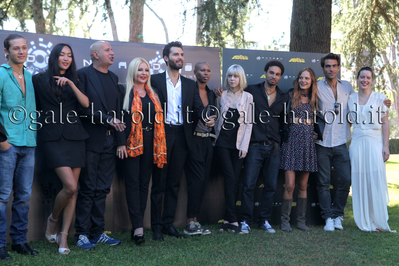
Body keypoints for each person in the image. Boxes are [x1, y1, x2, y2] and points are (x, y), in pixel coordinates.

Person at [32, 43, 90, 254]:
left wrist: (72, 85)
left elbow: (85, 103)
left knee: (73, 192)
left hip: (76, 137)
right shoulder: (39, 79)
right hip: (52, 138)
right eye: (62, 55)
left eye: (69, 55)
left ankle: (64, 237)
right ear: (54, 57)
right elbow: (34, 106)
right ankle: (52, 220)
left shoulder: (78, 79)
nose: (66, 58)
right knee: (70, 187)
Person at [150, 41, 209, 241]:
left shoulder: (190, 84)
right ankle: (156, 226)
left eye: (182, 54)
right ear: (166, 58)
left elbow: (198, 109)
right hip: (161, 135)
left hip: (183, 137)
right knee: (159, 183)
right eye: (176, 54)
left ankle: (168, 224)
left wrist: (207, 117)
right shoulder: (155, 80)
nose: (180, 57)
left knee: (174, 184)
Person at [74, 41, 125, 250]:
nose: (112, 53)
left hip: (111, 141)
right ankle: (81, 234)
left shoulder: (114, 78)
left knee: (103, 189)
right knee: (87, 188)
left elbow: (120, 113)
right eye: (107, 50)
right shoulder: (82, 75)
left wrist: (121, 141)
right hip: (90, 140)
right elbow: (80, 109)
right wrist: (105, 119)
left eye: (112, 50)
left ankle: (97, 233)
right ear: (95, 54)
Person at [117, 58, 167, 245]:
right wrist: (120, 143)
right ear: (133, 72)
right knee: (132, 184)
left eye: (146, 70)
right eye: (140, 70)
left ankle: (136, 226)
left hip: (151, 143)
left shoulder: (153, 93)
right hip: (131, 143)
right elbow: (119, 119)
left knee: (144, 185)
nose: (144, 73)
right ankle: (138, 227)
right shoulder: (124, 91)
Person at [0, 34, 38, 260]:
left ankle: (19, 242)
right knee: (3, 196)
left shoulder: (31, 76)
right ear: (7, 51)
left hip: (29, 144)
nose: (21, 52)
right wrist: (2, 142)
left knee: (23, 196)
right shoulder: (1, 74)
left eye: (24, 48)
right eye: (16, 48)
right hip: (8, 144)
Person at [239, 60, 289, 234]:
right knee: (248, 185)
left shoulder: (283, 96)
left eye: (277, 74)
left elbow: (285, 122)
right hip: (254, 145)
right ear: (265, 73)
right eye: (271, 72)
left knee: (270, 186)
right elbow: (235, 97)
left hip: (274, 147)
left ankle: (264, 220)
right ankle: (245, 220)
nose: (273, 76)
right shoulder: (251, 90)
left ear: (280, 77)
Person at [348, 67, 395, 232]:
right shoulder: (351, 98)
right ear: (358, 78)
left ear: (372, 80)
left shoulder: (380, 98)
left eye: (368, 77)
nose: (364, 80)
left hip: (375, 143)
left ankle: (376, 220)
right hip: (357, 142)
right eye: (362, 77)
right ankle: (363, 219)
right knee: (359, 180)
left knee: (374, 180)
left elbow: (385, 123)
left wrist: (386, 146)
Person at [316, 53, 354, 231]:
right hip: (322, 143)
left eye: (334, 66)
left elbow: (360, 102)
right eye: (328, 66)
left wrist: (382, 103)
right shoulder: (316, 87)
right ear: (323, 68)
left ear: (338, 67)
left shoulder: (347, 86)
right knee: (323, 182)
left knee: (346, 179)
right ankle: (328, 218)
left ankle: (338, 214)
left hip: (340, 141)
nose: (331, 69)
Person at [279, 68, 319, 232]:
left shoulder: (315, 99)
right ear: (298, 79)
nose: (303, 81)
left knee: (303, 185)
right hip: (291, 143)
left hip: (308, 145)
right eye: (301, 77)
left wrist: (317, 133)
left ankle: (301, 221)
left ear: (312, 81)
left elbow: (320, 121)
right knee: (290, 185)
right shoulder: (290, 96)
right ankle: (284, 221)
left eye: (307, 78)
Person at [215, 64, 253, 234]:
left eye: (236, 76)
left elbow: (249, 124)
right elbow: (216, 121)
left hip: (239, 145)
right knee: (230, 178)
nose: (232, 79)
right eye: (230, 76)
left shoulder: (248, 97)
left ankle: (226, 220)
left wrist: (244, 146)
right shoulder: (221, 95)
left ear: (241, 78)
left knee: (235, 180)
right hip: (222, 143)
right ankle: (233, 220)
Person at [184, 61, 216, 235]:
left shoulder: (211, 93)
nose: (206, 73)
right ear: (195, 72)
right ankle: (190, 221)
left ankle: (195, 221)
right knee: (195, 181)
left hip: (207, 141)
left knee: (203, 182)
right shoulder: (189, 90)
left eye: (208, 70)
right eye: (202, 70)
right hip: (193, 141)